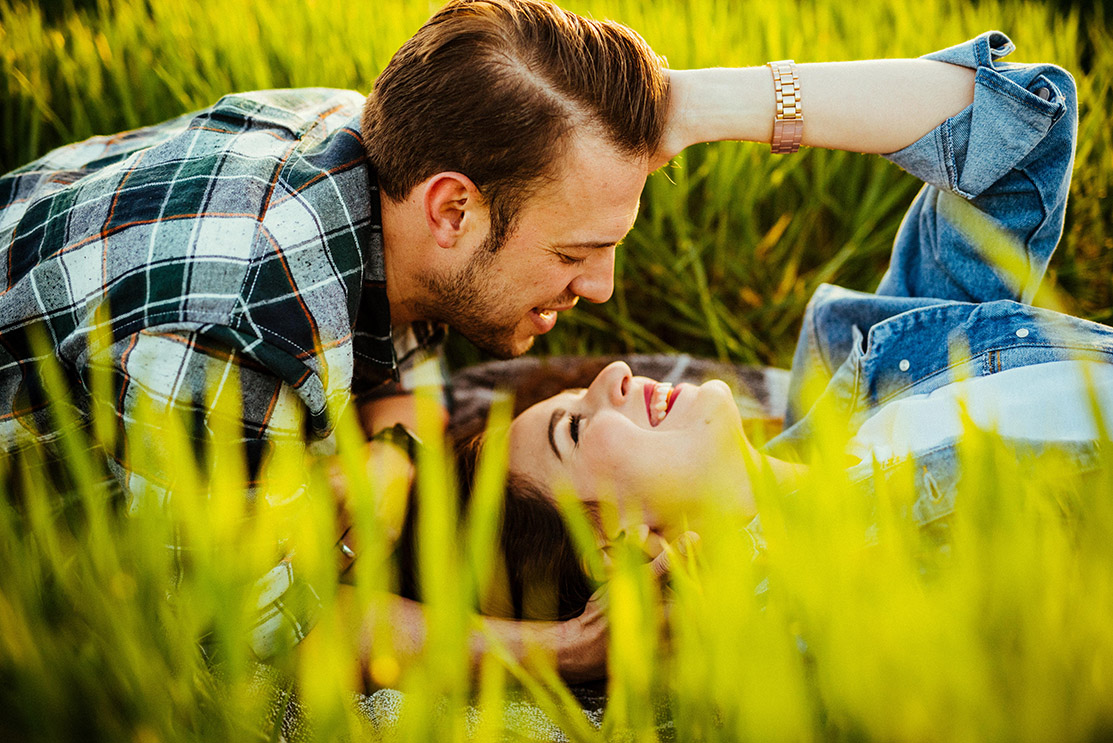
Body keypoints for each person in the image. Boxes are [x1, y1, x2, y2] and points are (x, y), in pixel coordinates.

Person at [499, 31, 1100, 613]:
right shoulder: (836, 619)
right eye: (573, 429)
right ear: (615, 554)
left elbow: (1021, 127)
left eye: (579, 395)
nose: (614, 375)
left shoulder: (876, 375)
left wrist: (686, 107)